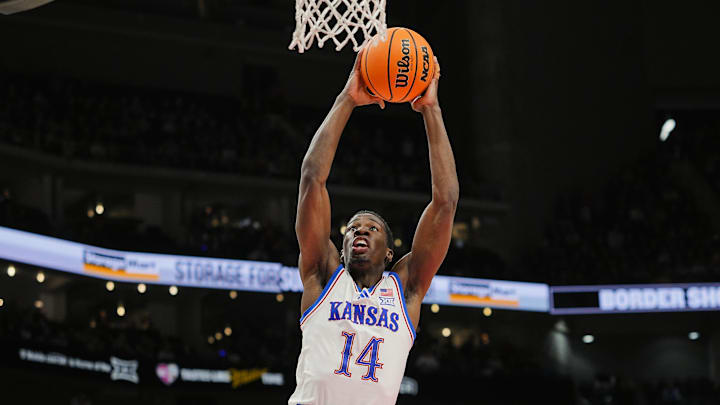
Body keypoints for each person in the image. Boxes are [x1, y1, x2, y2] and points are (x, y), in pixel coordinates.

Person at [288, 47, 459, 405]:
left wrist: (431, 109)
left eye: (371, 228)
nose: (359, 231)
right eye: (352, 228)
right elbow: (311, 179)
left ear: (391, 252)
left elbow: (445, 202)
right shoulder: (323, 276)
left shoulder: (406, 291)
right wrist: (347, 98)